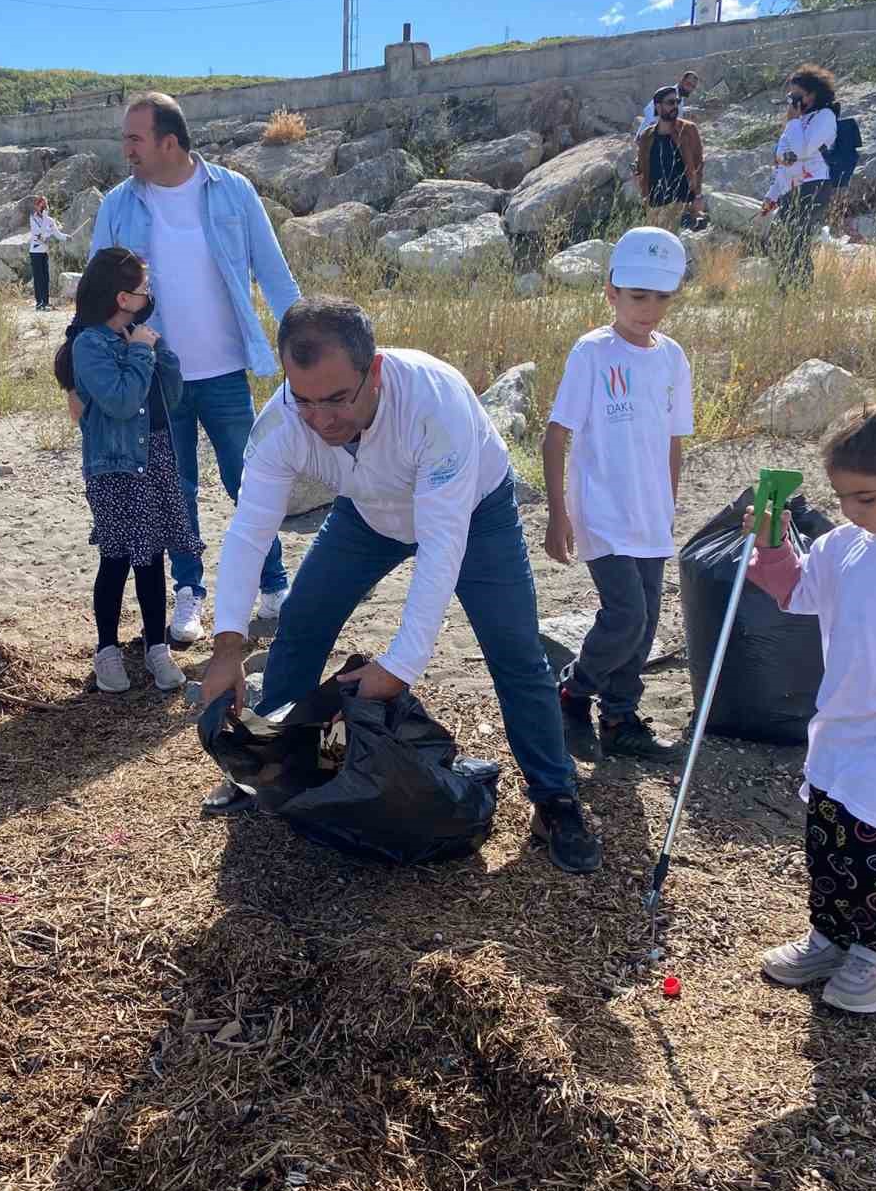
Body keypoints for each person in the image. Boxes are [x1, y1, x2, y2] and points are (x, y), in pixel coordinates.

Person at [200, 298, 602, 877]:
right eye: (304, 398)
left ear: (376, 371)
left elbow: (441, 545)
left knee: (516, 653)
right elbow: (249, 532)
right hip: (368, 513)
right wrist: (228, 647)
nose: (321, 419)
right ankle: (269, 765)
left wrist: (399, 665)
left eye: (337, 398)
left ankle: (555, 799)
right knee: (303, 621)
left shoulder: (433, 403)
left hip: (473, 512)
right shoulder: (283, 420)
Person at [90, 91, 300, 645]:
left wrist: (304, 344)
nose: (126, 149)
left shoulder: (232, 191)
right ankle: (190, 592)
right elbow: (96, 294)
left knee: (248, 482)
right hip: (154, 379)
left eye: (135, 138)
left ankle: (274, 585)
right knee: (174, 489)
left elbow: (275, 276)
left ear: (169, 142)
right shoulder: (118, 204)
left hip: (227, 371)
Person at [744, 383, 876, 1014]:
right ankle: (831, 936)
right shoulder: (842, 546)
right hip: (839, 726)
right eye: (841, 496)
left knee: (873, 851)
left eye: (866, 498)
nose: (850, 510)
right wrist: (768, 543)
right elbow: (794, 592)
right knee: (827, 839)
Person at [543, 228, 692, 763]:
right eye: (636, 296)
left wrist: (668, 507)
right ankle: (573, 691)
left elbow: (675, 441)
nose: (648, 309)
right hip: (601, 510)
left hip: (651, 515)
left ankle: (620, 716)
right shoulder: (593, 352)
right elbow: (556, 434)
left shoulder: (673, 357)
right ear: (611, 291)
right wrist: (558, 514)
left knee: (648, 622)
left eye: (660, 298)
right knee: (625, 614)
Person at [53, 246, 196, 695]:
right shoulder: (89, 345)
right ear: (121, 298)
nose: (147, 296)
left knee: (153, 556)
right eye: (142, 290)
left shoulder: (138, 336)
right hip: (114, 468)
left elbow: (169, 397)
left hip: (156, 458)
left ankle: (157, 648)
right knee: (115, 558)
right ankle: (107, 651)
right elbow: (119, 401)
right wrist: (139, 353)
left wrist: (159, 350)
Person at [759, 65, 838, 289]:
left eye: (797, 96)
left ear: (812, 95)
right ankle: (787, 289)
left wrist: (793, 124)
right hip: (789, 189)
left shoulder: (825, 116)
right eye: (790, 96)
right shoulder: (796, 122)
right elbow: (782, 160)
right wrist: (771, 195)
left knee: (795, 239)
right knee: (780, 238)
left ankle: (799, 290)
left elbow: (801, 152)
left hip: (813, 186)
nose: (792, 101)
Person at [635, 87, 706, 229]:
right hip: (655, 205)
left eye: (677, 102)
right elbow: (641, 168)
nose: (675, 106)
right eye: (670, 102)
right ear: (657, 106)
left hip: (683, 202)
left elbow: (698, 165)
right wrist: (644, 196)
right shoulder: (646, 136)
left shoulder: (688, 130)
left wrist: (697, 196)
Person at [824, 100, 863, 241]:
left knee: (836, 210)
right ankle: (851, 235)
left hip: (831, 179)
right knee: (842, 208)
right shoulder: (846, 128)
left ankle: (849, 237)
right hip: (844, 177)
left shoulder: (833, 130)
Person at [636, 70, 699, 137]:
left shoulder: (680, 100)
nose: (690, 89)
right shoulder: (666, 92)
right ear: (681, 81)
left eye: (693, 87)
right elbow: (649, 110)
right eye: (688, 84)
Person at [29, 195, 65, 311]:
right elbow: (41, 234)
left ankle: (46, 302)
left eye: (45, 204)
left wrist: (67, 237)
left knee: (46, 278)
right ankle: (39, 303)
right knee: (38, 277)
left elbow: (57, 234)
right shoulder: (33, 218)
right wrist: (44, 217)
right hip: (35, 252)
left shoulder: (50, 220)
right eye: (41, 204)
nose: (44, 207)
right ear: (36, 206)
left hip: (44, 252)